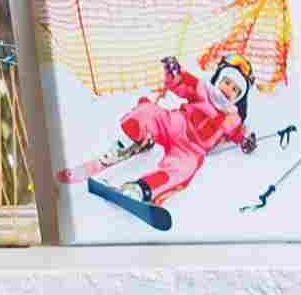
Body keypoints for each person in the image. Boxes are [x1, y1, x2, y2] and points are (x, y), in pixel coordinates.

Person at [110, 54, 257, 211]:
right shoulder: (203, 90)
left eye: (235, 90)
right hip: (176, 124)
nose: (228, 89)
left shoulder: (232, 118)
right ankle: (132, 141)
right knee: (147, 111)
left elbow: (237, 133)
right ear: (219, 80)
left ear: (238, 98)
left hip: (191, 150)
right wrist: (175, 74)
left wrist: (245, 139)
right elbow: (185, 84)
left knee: (181, 171)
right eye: (227, 82)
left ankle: (142, 189)